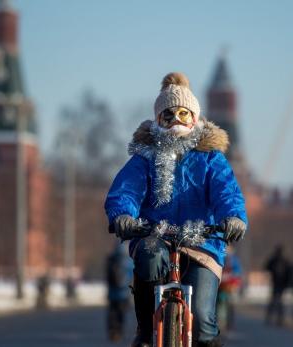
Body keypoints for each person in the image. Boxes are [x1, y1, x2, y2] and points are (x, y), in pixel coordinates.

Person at [104, 72, 247, 347]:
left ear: (195, 118)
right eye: (168, 115)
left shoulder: (211, 158)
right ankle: (145, 332)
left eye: (184, 114)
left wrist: (234, 218)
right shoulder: (145, 157)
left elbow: (226, 191)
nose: (176, 121)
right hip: (153, 234)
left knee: (204, 320)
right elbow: (127, 189)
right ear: (157, 119)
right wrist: (123, 215)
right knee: (147, 259)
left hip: (203, 241)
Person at [106, 242, 134, 342]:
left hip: (112, 293)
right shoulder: (129, 261)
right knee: (121, 314)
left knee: (113, 313)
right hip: (124, 294)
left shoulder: (111, 259)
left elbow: (108, 276)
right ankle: (119, 332)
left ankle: (113, 331)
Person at [216, 245, 243, 332]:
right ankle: (221, 323)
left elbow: (238, 272)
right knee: (221, 304)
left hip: (231, 286)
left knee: (230, 305)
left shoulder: (234, 260)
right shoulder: (222, 257)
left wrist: (230, 276)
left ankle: (229, 323)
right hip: (222, 286)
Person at [264, 245, 291, 326]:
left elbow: (266, 267)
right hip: (281, 284)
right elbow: (289, 272)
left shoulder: (274, 259)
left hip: (276, 283)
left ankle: (270, 318)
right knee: (279, 302)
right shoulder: (285, 260)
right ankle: (279, 319)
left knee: (274, 302)